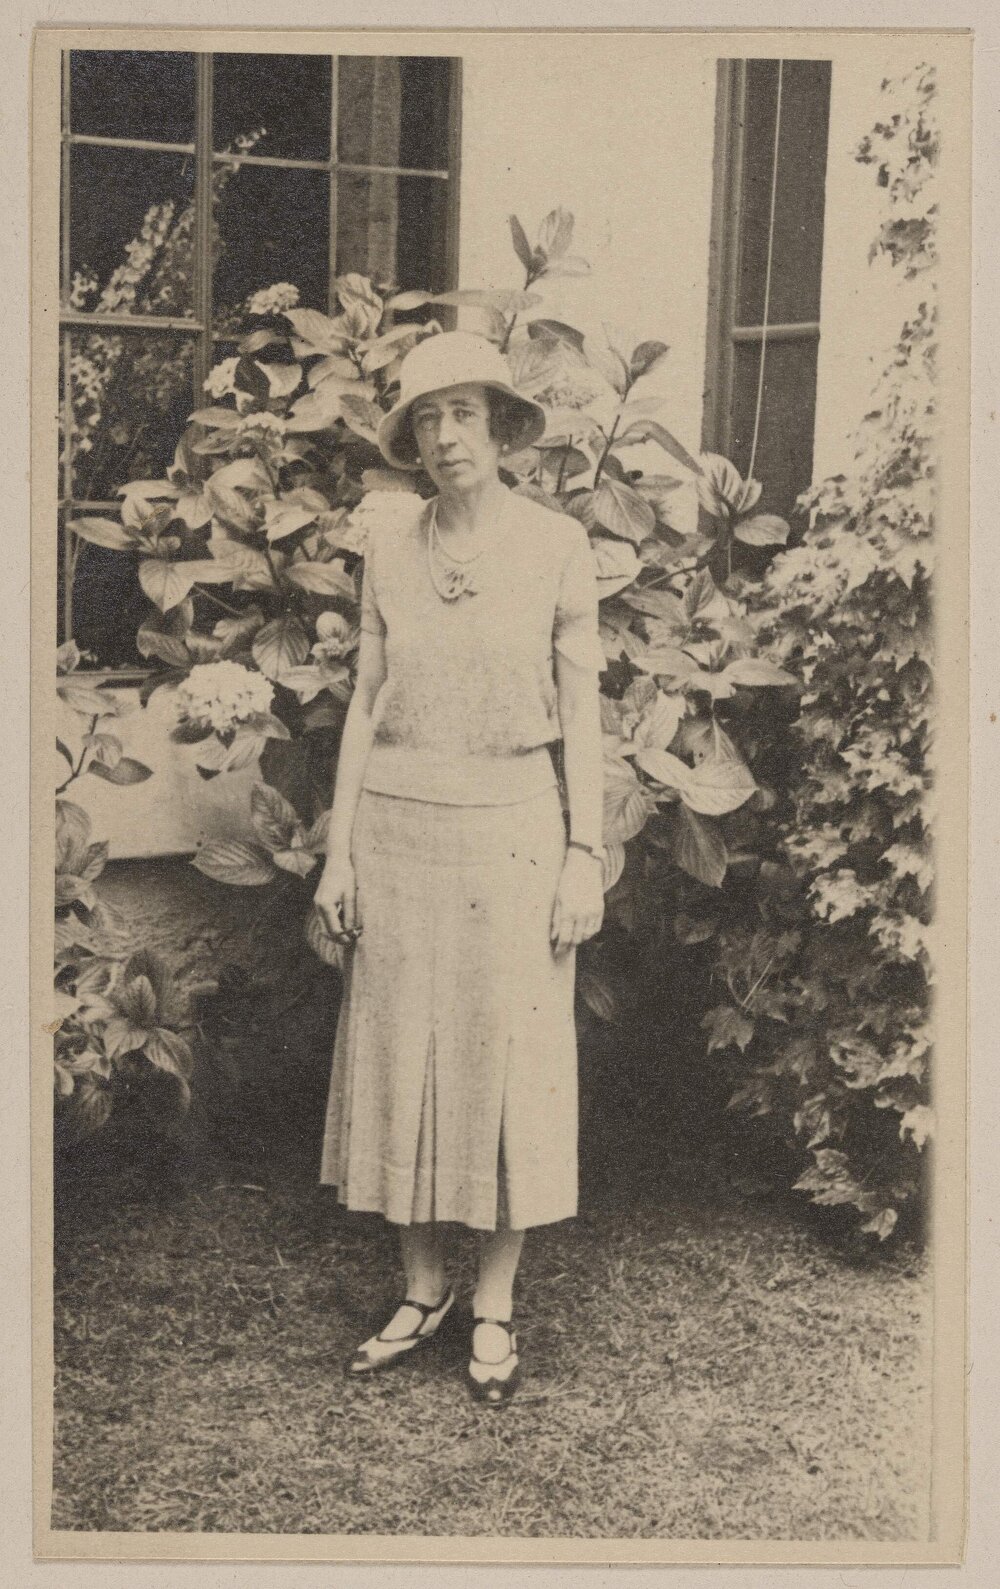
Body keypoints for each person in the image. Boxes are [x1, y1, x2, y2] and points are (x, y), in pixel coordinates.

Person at [314, 330, 605, 1407]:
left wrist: (584, 854)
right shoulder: (389, 546)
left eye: (463, 415)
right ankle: (420, 1286)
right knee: (402, 1054)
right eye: (426, 421)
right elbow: (365, 701)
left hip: (516, 829)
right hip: (396, 826)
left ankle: (492, 1301)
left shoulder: (557, 546)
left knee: (508, 1062)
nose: (445, 438)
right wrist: (336, 852)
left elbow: (581, 710)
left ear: (499, 426)